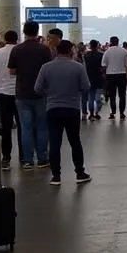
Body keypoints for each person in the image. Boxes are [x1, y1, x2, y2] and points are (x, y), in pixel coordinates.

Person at [35, 40, 92, 186]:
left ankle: (56, 176)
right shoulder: (78, 67)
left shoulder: (46, 67)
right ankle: (80, 173)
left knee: (54, 143)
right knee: (75, 142)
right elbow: (86, 87)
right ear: (70, 51)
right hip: (72, 109)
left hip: (52, 109)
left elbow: (37, 89)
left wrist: (50, 93)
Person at [8, 20, 53, 169]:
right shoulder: (44, 50)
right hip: (41, 93)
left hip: (22, 93)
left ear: (24, 32)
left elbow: (12, 71)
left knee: (26, 127)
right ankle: (42, 158)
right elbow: (49, 70)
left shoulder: (17, 49)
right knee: (41, 126)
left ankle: (27, 160)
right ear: (37, 31)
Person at [0, 29, 21, 170]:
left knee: (6, 127)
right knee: (23, 126)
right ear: (17, 38)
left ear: (5, 39)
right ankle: (24, 156)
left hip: (4, 94)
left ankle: (6, 157)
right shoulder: (22, 52)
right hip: (21, 94)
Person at [102, 36, 127, 120]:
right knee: (122, 95)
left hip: (110, 75)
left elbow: (104, 65)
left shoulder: (107, 52)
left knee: (112, 95)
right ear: (118, 42)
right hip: (122, 74)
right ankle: (122, 113)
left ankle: (113, 112)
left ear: (110, 42)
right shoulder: (124, 51)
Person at [83, 39, 105, 121]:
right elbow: (103, 67)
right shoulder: (101, 55)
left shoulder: (86, 55)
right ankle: (97, 112)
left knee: (91, 97)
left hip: (89, 78)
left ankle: (91, 114)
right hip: (98, 78)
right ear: (97, 45)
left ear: (90, 46)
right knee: (98, 97)